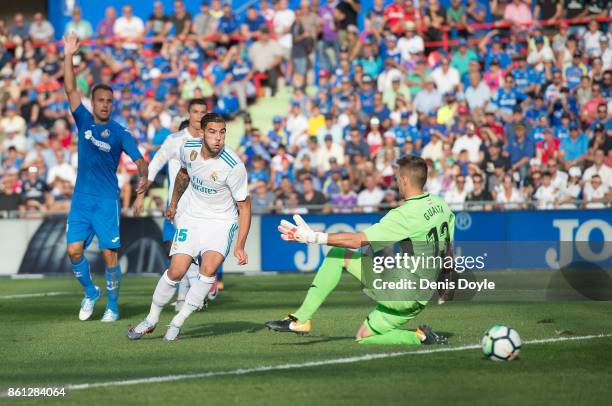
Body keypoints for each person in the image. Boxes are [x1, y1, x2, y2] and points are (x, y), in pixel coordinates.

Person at [266, 155, 452, 346]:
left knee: (338, 255)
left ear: (404, 179)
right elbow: (447, 248)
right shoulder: (440, 205)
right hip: (420, 298)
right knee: (364, 337)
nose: (397, 183)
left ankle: (301, 319)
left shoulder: (405, 214)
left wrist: (312, 237)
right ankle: (421, 337)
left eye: (397, 178)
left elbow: (358, 241)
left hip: (402, 292)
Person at [128, 113, 251, 341]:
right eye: (212, 132)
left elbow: (244, 207)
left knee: (208, 271)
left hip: (221, 222)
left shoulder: (233, 165)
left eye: (222, 132)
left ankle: (178, 320)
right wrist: (173, 203)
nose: (218, 138)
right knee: (176, 271)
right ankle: (152, 319)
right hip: (192, 217)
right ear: (202, 132)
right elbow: (183, 175)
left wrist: (240, 245)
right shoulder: (188, 148)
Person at [62, 33, 148, 322]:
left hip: (106, 200)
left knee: (110, 256)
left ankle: (113, 306)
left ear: (113, 104)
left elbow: (140, 160)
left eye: (109, 101)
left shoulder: (120, 132)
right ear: (93, 102)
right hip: (81, 199)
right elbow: (70, 87)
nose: (105, 105)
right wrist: (68, 54)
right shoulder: (83, 120)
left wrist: (141, 186)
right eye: (100, 100)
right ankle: (90, 292)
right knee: (73, 250)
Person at [145, 100, 216, 311]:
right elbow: (157, 162)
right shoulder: (175, 140)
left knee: (193, 252)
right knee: (178, 251)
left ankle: (194, 292)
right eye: (195, 111)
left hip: (203, 204)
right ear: (189, 113)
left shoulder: (212, 140)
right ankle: (192, 294)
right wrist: (143, 188)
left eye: (203, 112)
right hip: (177, 206)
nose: (199, 115)